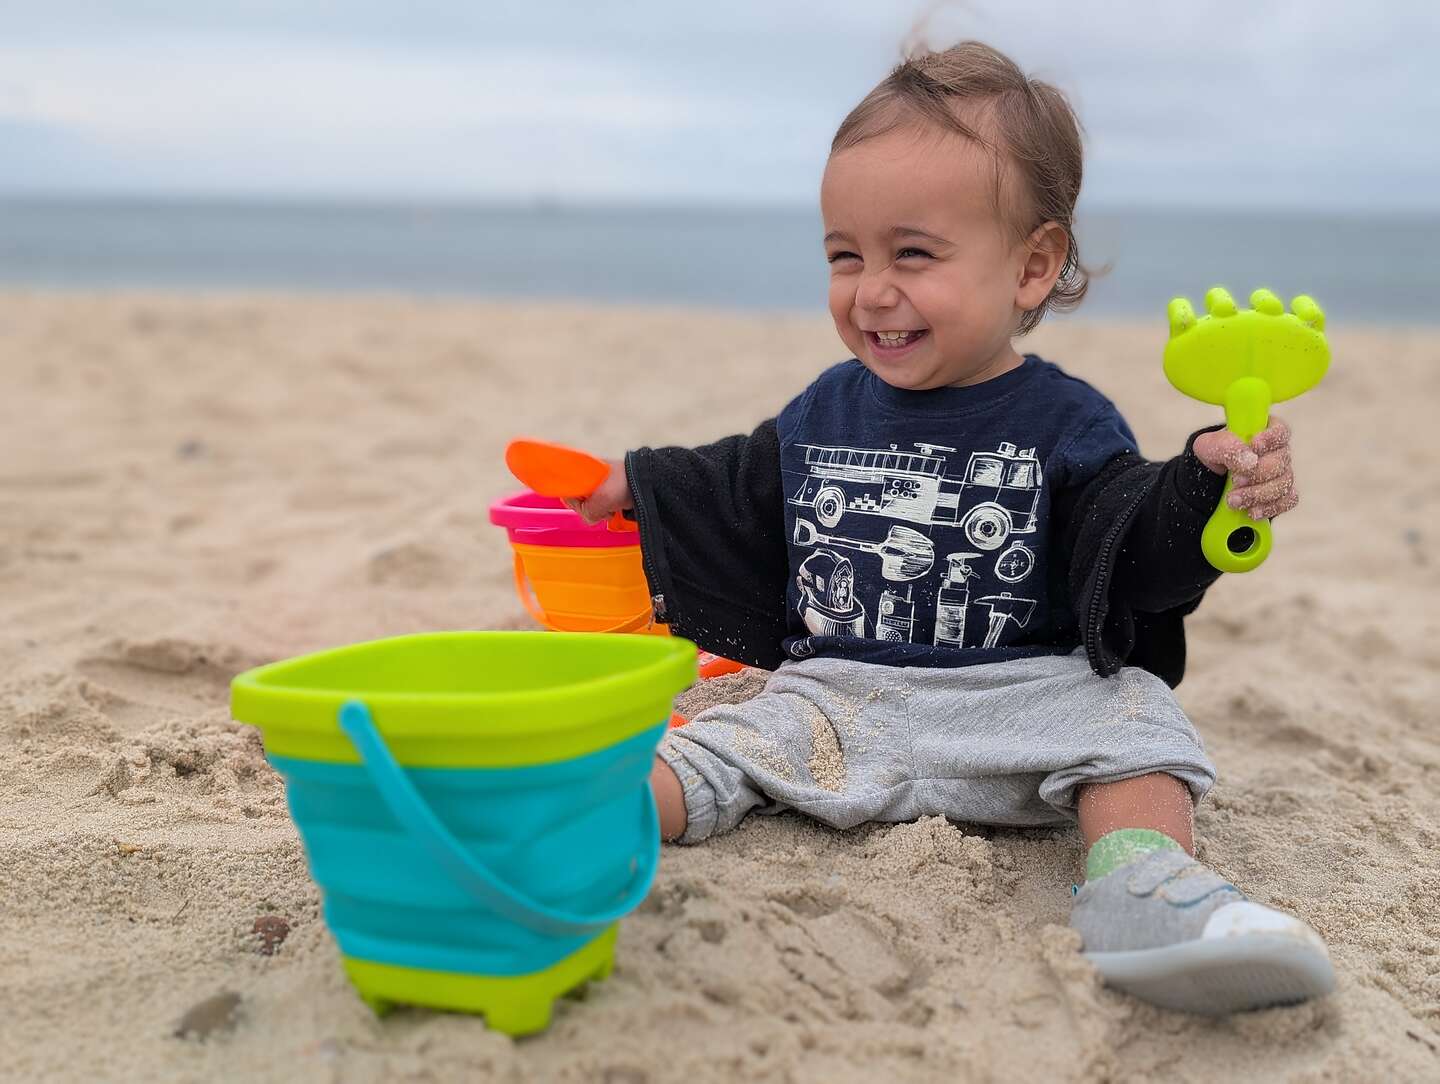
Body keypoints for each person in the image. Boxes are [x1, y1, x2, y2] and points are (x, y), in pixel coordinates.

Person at [565, 41, 1332, 1015]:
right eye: (845, 255)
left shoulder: (1068, 421)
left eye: (913, 254)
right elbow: (739, 481)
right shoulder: (826, 407)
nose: (871, 290)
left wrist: (1199, 484)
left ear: (1032, 266)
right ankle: (572, 827)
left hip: (1019, 705)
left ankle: (1144, 885)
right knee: (713, 744)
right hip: (837, 700)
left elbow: (1127, 537)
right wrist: (637, 483)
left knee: (1138, 721)